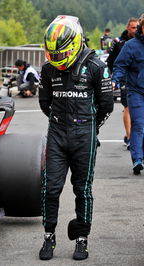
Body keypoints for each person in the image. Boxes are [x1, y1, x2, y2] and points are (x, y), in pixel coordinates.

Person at [39, 15, 114, 261]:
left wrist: (90, 126)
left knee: (82, 189)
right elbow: (44, 102)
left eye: (60, 54)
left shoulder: (96, 66)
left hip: (85, 134)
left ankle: (82, 239)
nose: (56, 59)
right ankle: (49, 236)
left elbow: (106, 105)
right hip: (57, 133)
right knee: (50, 189)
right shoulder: (48, 69)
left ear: (73, 45)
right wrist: (61, 121)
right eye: (53, 54)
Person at [112, 14, 144, 175]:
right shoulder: (131, 46)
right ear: (142, 28)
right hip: (137, 91)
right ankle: (137, 159)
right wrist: (114, 81)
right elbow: (120, 65)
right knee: (138, 124)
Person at [107, 18, 139, 149]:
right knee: (127, 107)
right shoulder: (119, 42)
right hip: (124, 78)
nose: (135, 30)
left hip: (138, 78)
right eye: (133, 28)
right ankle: (130, 136)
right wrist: (115, 78)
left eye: (137, 27)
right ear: (127, 28)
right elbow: (111, 61)